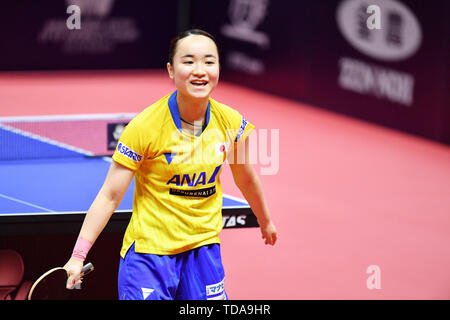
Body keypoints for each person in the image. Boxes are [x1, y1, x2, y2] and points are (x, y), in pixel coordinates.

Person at [63, 29, 278, 300]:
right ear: (171, 70)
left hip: (203, 251)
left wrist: (265, 219)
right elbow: (109, 195)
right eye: (188, 62)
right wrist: (78, 255)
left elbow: (245, 178)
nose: (200, 70)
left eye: (209, 62)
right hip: (150, 255)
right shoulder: (145, 126)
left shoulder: (231, 122)